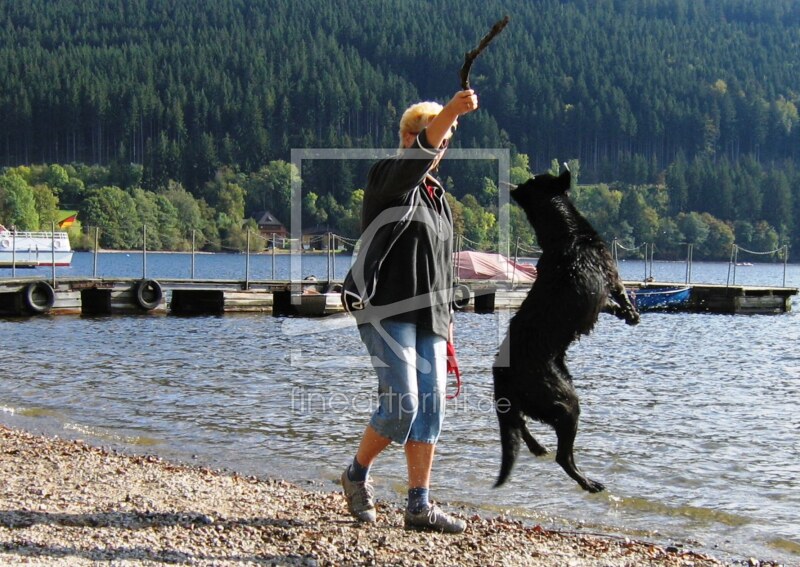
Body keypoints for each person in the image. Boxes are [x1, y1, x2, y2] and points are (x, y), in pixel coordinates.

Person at [340, 89, 479, 533]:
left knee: (430, 407)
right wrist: (452, 112)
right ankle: (356, 475)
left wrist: (449, 327)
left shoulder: (439, 199)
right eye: (431, 138)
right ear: (407, 137)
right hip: (383, 306)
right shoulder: (387, 178)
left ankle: (418, 505)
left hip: (432, 316)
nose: (440, 146)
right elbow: (420, 154)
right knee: (402, 404)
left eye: (445, 140)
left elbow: (441, 266)